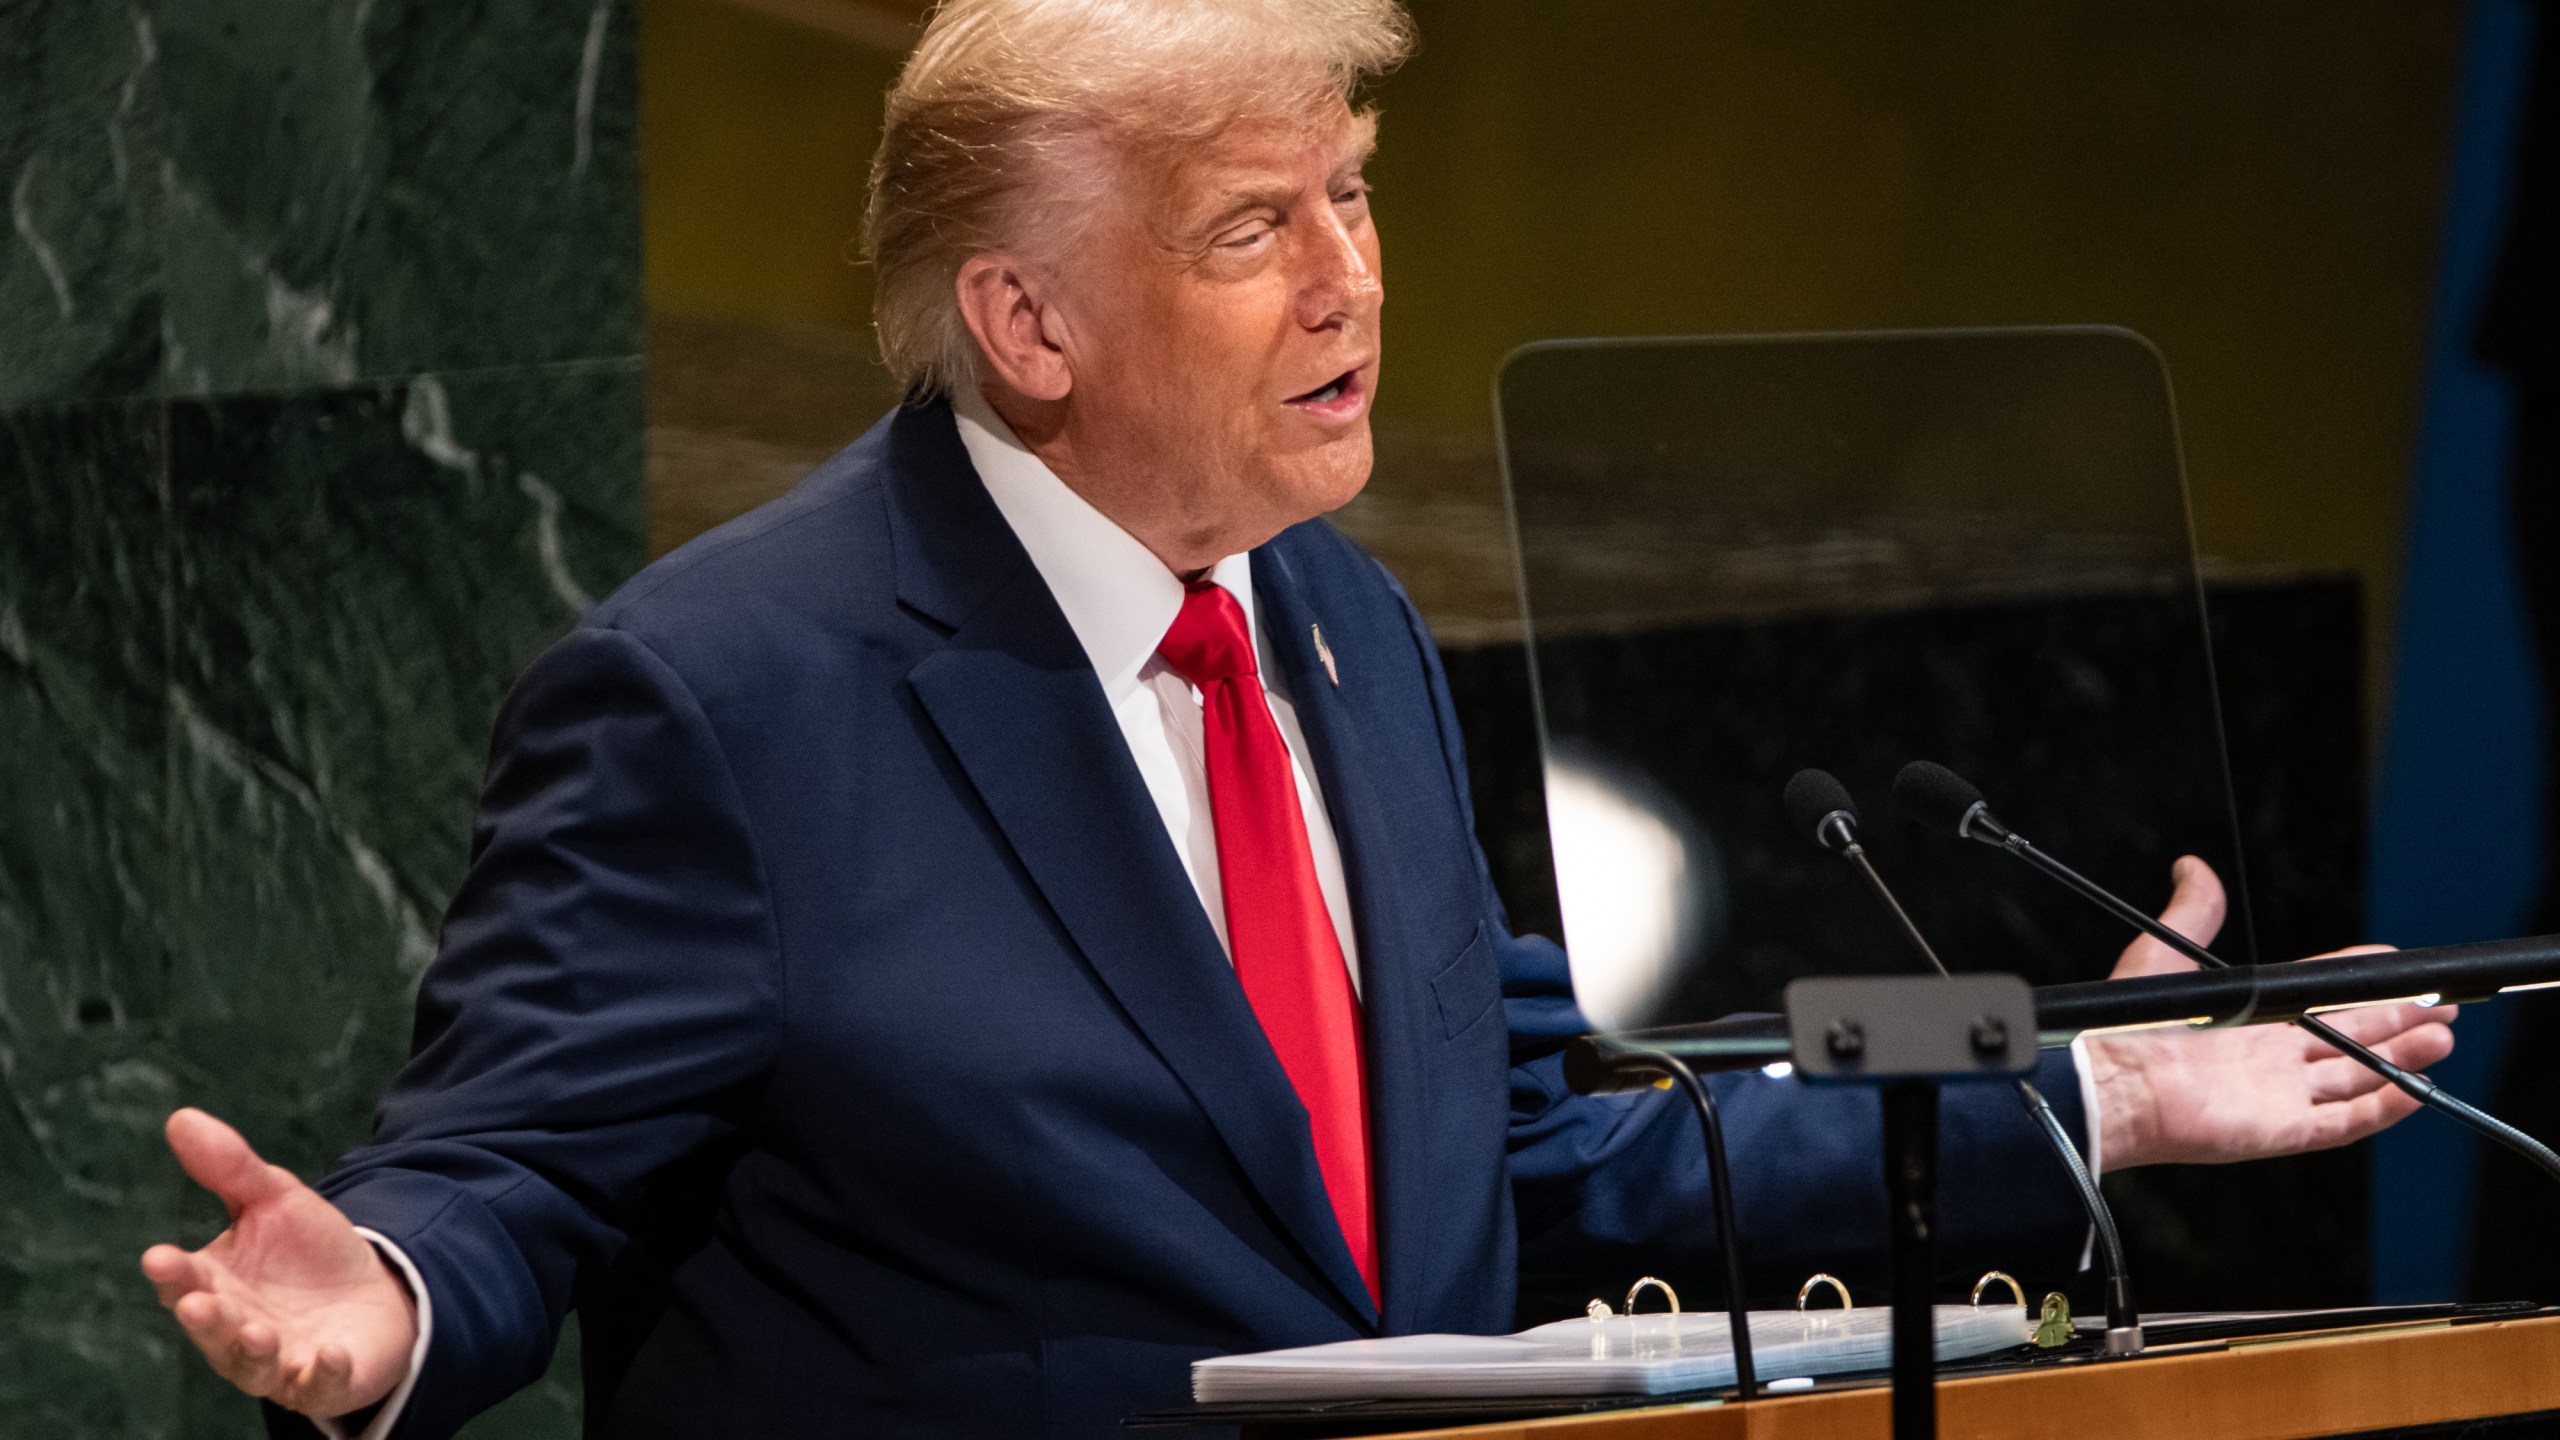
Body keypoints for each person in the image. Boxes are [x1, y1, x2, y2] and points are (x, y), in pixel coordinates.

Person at [138, 3, 2459, 1436]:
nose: (1355, 281)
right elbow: (516, 1164)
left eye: (1352, 194)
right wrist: (400, 1286)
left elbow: (1532, 1158)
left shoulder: (1336, 630)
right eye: (1256, 226)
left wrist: (2081, 1093)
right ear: (1024, 319)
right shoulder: (721, 695)